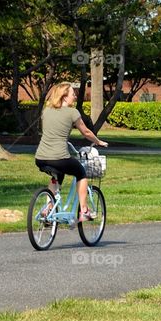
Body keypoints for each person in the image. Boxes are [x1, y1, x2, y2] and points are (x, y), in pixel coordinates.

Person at [35, 82, 108, 223]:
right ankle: (85, 211)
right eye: (72, 94)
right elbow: (86, 132)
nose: (75, 96)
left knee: (57, 176)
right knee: (81, 173)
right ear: (64, 96)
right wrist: (98, 142)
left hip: (41, 157)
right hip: (59, 157)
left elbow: (51, 132)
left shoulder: (46, 111)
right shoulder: (72, 112)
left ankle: (47, 209)